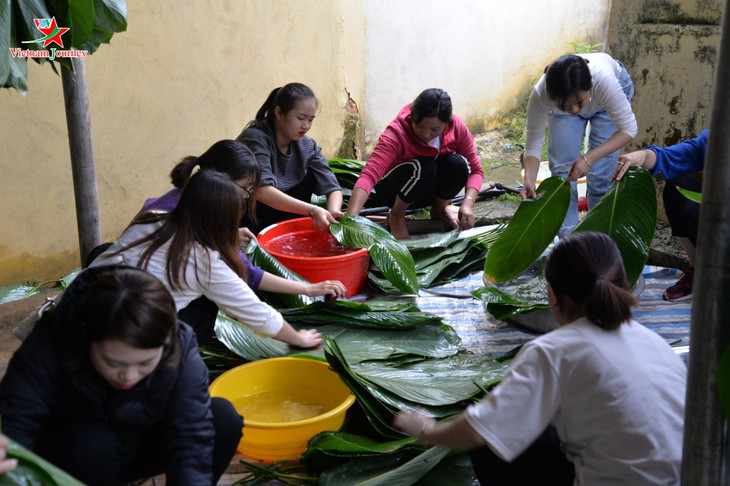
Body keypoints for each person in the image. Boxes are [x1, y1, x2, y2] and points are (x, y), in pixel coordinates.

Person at [394, 232, 686, 485]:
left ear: (553, 296)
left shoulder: (551, 352)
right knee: (540, 423)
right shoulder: (654, 342)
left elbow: (477, 432)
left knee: (490, 442)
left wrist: (427, 430)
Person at [0, 265, 242, 485]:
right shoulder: (56, 337)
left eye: (145, 363)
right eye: (112, 362)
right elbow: (19, 416)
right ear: (87, 337)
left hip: (136, 444)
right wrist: (10, 457)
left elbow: (191, 435)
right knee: (93, 445)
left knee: (222, 418)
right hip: (74, 456)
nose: (128, 376)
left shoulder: (180, 342)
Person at [91, 170, 330, 348]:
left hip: (78, 308)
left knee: (103, 249)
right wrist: (299, 338)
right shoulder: (205, 262)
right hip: (117, 345)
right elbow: (258, 314)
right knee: (207, 305)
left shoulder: (154, 217)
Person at [520, 53, 637, 236]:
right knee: (562, 175)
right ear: (553, 98)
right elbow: (534, 141)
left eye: (579, 103)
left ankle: (600, 238)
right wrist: (529, 179)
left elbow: (628, 129)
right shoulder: (542, 94)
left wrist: (588, 158)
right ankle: (569, 242)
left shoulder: (604, 81)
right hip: (574, 96)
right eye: (566, 106)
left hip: (605, 104)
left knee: (600, 179)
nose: (575, 110)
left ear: (589, 85)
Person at [346, 88, 484, 240]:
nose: (426, 134)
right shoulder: (396, 133)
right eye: (419, 126)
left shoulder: (456, 128)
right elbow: (369, 175)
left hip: (424, 191)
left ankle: (440, 208)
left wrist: (468, 203)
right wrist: (350, 219)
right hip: (394, 191)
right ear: (412, 117)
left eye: (435, 129)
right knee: (424, 167)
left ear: (447, 122)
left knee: (459, 164)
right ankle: (397, 215)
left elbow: (476, 170)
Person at [236, 82, 344, 234]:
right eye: (301, 118)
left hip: (281, 213)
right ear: (279, 113)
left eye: (311, 120)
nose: (306, 126)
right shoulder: (256, 139)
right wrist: (312, 210)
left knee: (311, 174)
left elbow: (332, 185)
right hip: (247, 216)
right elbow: (262, 190)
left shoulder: (307, 145)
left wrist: (332, 213)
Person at [613, 129, 707, 301]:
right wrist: (642, 156)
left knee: (691, 212)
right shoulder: (718, 138)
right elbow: (673, 156)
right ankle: (696, 271)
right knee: (675, 188)